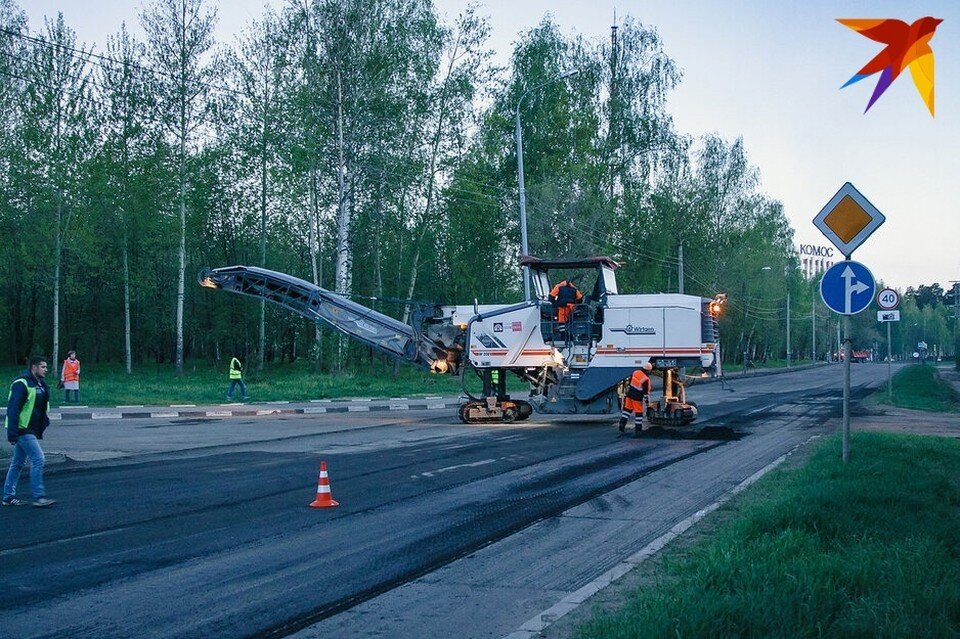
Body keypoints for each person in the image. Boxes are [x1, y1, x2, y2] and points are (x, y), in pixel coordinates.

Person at [3, 356, 56, 507]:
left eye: (46, 367)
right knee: (38, 458)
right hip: (22, 429)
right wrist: (12, 433)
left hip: (31, 429)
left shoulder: (40, 384)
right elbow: (13, 409)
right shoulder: (22, 383)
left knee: (18, 463)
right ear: (34, 367)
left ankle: (8, 497)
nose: (46, 369)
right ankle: (39, 497)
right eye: (43, 367)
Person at [619, 362, 653, 437]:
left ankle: (621, 425)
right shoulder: (646, 379)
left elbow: (630, 383)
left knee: (626, 411)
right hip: (637, 398)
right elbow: (645, 393)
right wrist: (647, 402)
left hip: (629, 395)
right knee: (639, 414)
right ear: (648, 370)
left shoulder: (635, 372)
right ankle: (638, 430)